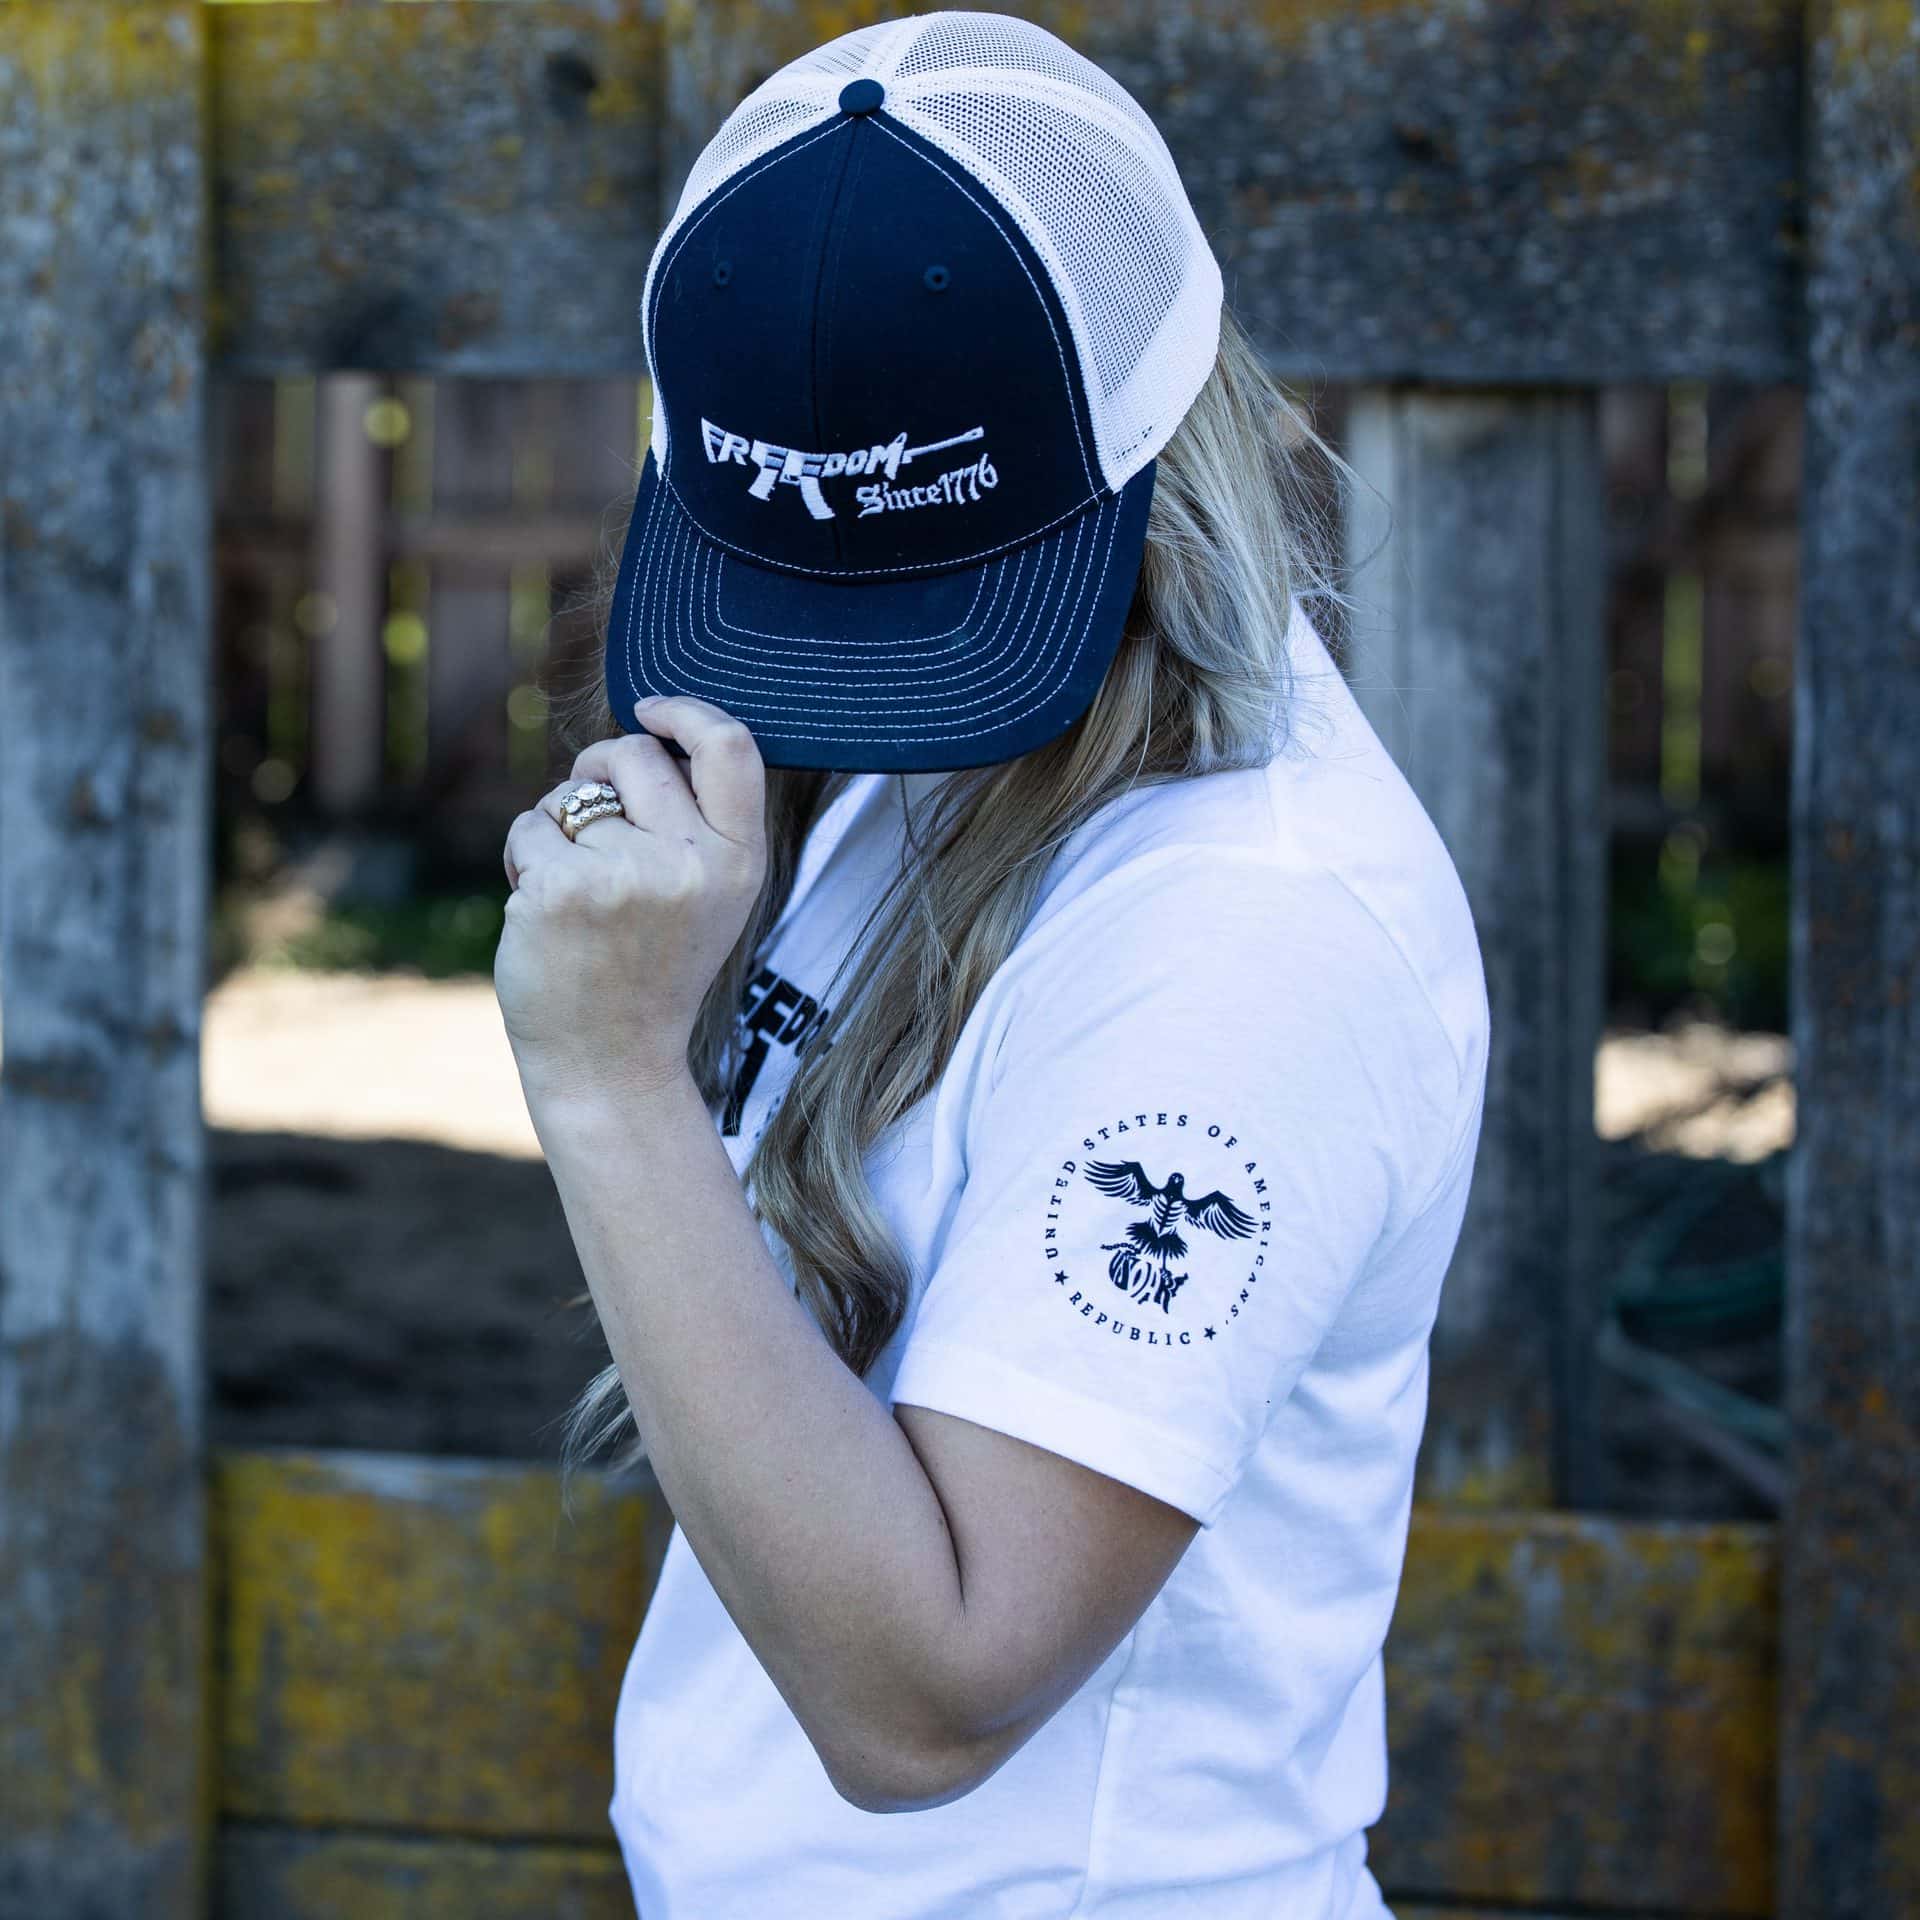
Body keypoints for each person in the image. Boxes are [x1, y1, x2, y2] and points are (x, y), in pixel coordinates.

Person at [495, 14, 1490, 1917]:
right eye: (809, 595)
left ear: (1146, 438)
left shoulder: (1242, 936)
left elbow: (925, 1702)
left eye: (931, 606)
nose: (860, 690)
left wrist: (612, 1083)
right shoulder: (955, 772)